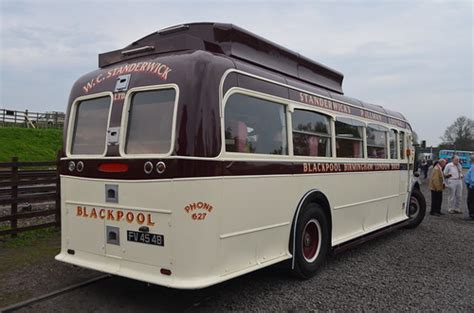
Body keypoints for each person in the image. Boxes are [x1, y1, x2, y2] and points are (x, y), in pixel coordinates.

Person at [463, 154, 474, 221]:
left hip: (472, 187)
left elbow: (473, 179)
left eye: (470, 159)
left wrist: (470, 185)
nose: (469, 160)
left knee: (471, 201)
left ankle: (472, 215)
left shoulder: (473, 167)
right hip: (471, 186)